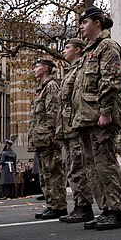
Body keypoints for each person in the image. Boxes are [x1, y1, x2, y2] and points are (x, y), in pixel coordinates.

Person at [72, 6, 121, 230]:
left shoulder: (108, 46)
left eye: (84, 22)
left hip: (101, 116)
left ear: (97, 22)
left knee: (105, 164)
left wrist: (106, 112)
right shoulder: (89, 51)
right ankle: (106, 209)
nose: (81, 27)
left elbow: (111, 80)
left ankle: (119, 211)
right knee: (92, 166)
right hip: (87, 118)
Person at [56, 38, 95, 223]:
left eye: (67, 47)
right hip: (67, 127)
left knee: (78, 167)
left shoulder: (80, 69)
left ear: (78, 50)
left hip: (75, 126)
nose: (63, 50)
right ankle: (79, 205)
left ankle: (84, 206)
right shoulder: (69, 71)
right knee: (73, 168)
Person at [29, 59, 67, 219]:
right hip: (41, 138)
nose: (33, 70)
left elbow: (53, 112)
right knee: (45, 174)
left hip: (48, 138)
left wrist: (53, 135)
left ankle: (58, 206)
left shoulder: (51, 86)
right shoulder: (41, 88)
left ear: (45, 69)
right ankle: (52, 204)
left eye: (36, 67)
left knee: (53, 172)